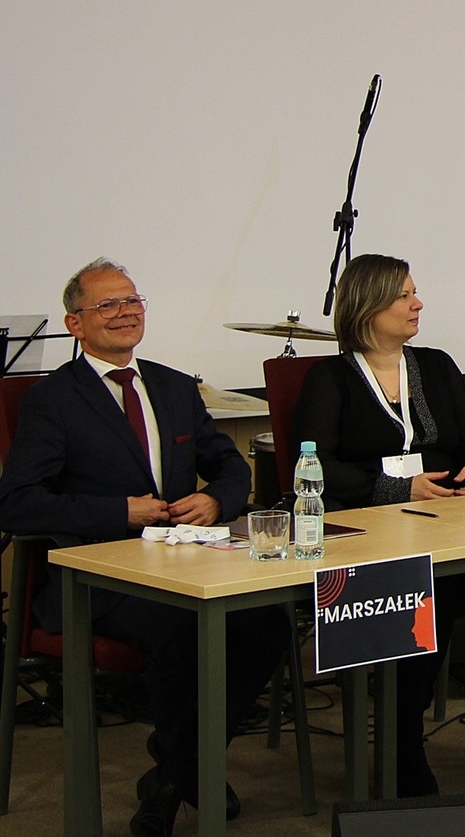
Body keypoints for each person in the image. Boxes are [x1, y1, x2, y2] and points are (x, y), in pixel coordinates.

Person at [0, 259, 284, 837]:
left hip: (185, 559)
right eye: (107, 304)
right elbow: (19, 502)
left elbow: (229, 465)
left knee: (267, 622)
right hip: (98, 575)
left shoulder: (174, 386)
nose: (125, 312)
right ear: (75, 323)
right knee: (183, 628)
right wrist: (119, 511)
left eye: (132, 301)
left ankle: (175, 772)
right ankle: (184, 777)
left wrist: (218, 501)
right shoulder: (53, 399)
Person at [293, 253, 465, 793]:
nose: (417, 304)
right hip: (373, 532)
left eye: (414, 292)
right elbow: (317, 465)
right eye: (404, 296)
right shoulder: (330, 378)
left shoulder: (437, 366)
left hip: (450, 522)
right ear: (369, 306)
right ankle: (402, 743)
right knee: (422, 591)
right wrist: (398, 487)